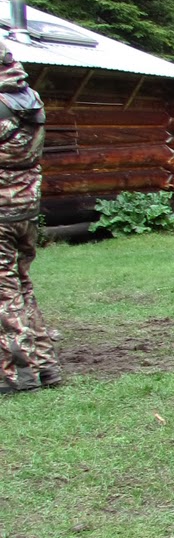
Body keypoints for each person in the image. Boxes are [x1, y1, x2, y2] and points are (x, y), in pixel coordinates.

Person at [0, 45, 61, 393]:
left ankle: (18, 375)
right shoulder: (29, 98)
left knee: (4, 293)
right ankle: (46, 365)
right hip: (26, 207)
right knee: (22, 285)